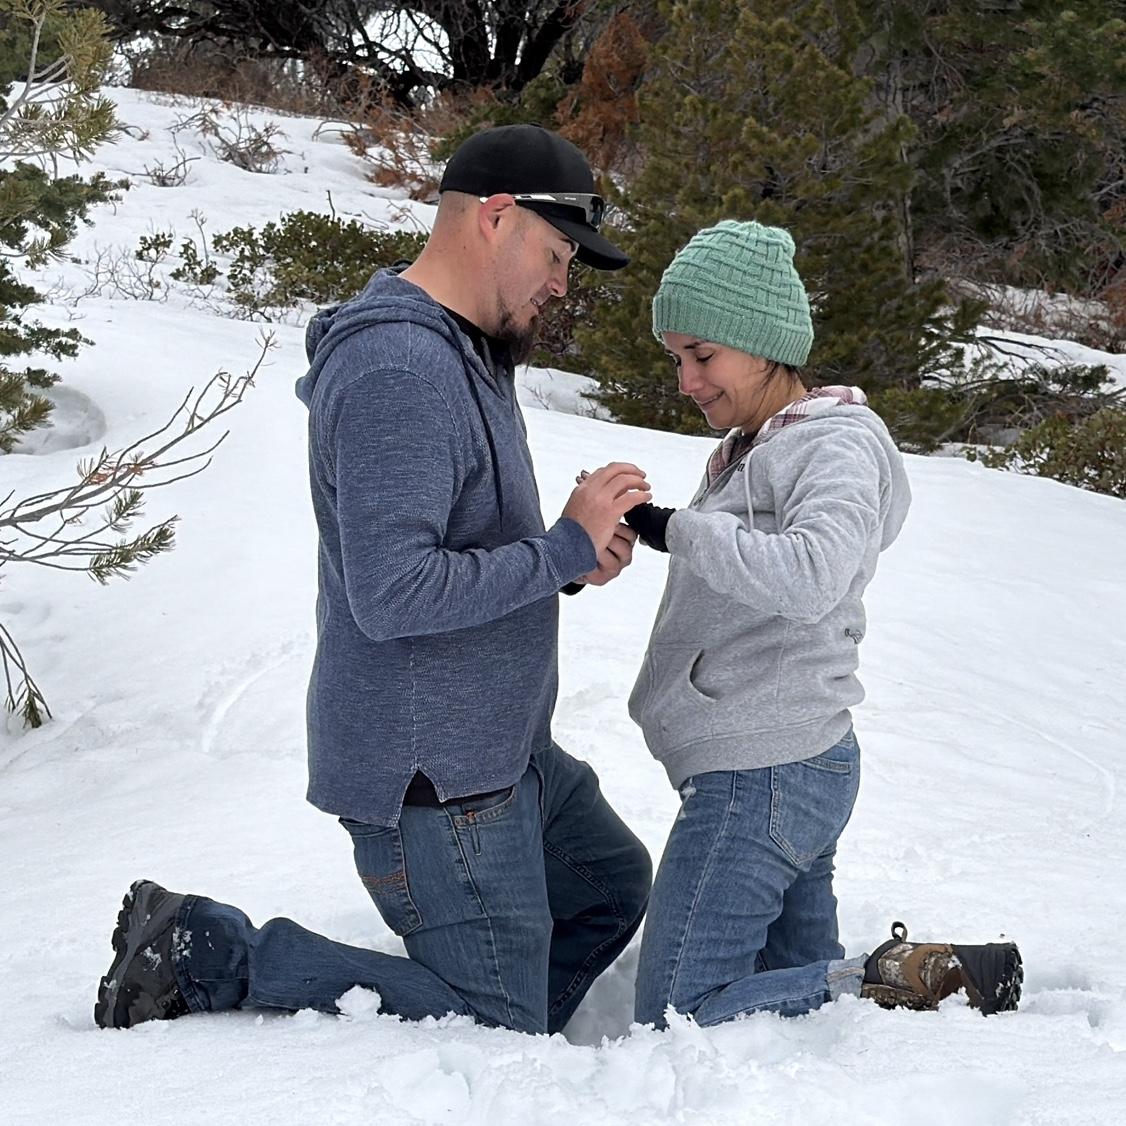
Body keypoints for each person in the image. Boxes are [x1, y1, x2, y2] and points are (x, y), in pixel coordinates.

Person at [94, 125, 654, 1035]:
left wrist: (571, 561)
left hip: (505, 749)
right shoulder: (401, 368)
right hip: (437, 779)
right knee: (494, 1023)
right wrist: (556, 551)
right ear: (497, 217)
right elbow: (393, 594)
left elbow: (457, 540)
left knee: (611, 885)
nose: (562, 283)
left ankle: (508, 1014)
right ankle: (208, 952)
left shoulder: (468, 345)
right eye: (557, 256)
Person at [623, 220, 1023, 1027]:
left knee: (678, 1012)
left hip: (764, 772)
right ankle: (908, 984)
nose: (686, 380)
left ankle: (916, 977)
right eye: (675, 358)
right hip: (783, 764)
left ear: (764, 343)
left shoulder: (831, 445)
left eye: (702, 355)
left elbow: (812, 574)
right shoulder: (757, 447)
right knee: (809, 1013)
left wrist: (674, 528)